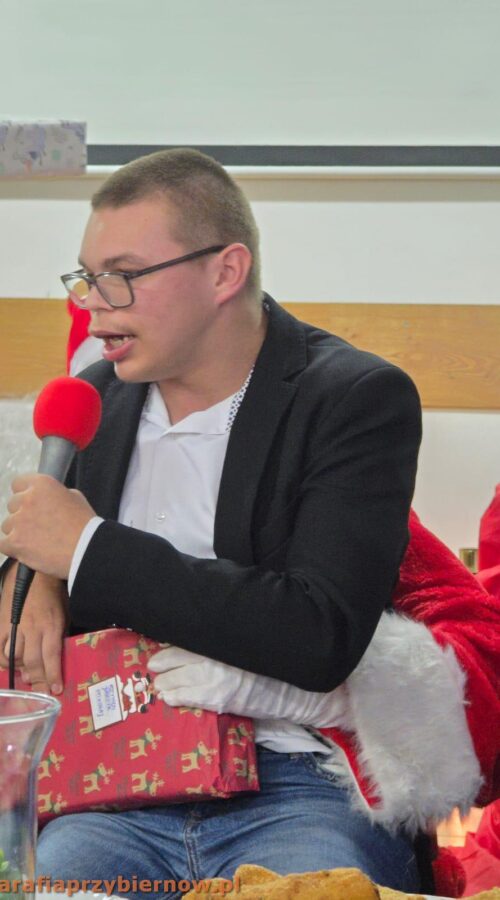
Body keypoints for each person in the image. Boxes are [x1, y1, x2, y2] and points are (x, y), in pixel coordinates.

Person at [0, 148, 423, 895]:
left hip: (299, 780)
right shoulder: (94, 399)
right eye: (85, 277)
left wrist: (88, 549)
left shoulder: (353, 399)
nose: (92, 303)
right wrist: (29, 578)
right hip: (115, 788)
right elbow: (50, 551)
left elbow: (318, 632)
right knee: (46, 887)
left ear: (225, 273)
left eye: (122, 275)